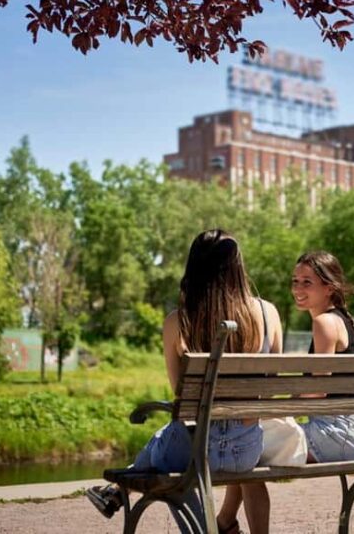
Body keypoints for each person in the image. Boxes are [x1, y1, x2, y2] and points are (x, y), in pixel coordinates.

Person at [86, 229, 283, 534]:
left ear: (194, 267)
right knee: (176, 445)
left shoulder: (178, 322)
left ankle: (119, 491)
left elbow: (181, 401)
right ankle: (116, 492)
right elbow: (271, 385)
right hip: (247, 450)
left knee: (165, 444)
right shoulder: (268, 314)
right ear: (237, 266)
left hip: (197, 451)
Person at [291, 251, 354, 463]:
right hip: (345, 433)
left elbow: (318, 390)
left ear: (329, 288)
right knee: (247, 442)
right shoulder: (338, 319)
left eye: (307, 282)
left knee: (249, 442)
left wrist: (282, 409)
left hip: (335, 434)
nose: (298, 289)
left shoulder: (325, 323)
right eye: (295, 281)